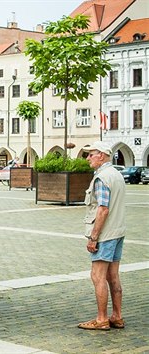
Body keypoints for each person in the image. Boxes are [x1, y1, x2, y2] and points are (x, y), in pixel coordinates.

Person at [78, 141, 126, 331]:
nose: (88, 158)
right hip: (118, 231)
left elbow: (103, 209)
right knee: (113, 275)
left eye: (91, 154)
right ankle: (117, 316)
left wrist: (94, 237)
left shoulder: (102, 178)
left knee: (97, 276)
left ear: (103, 155)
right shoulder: (116, 175)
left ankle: (101, 319)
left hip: (105, 234)